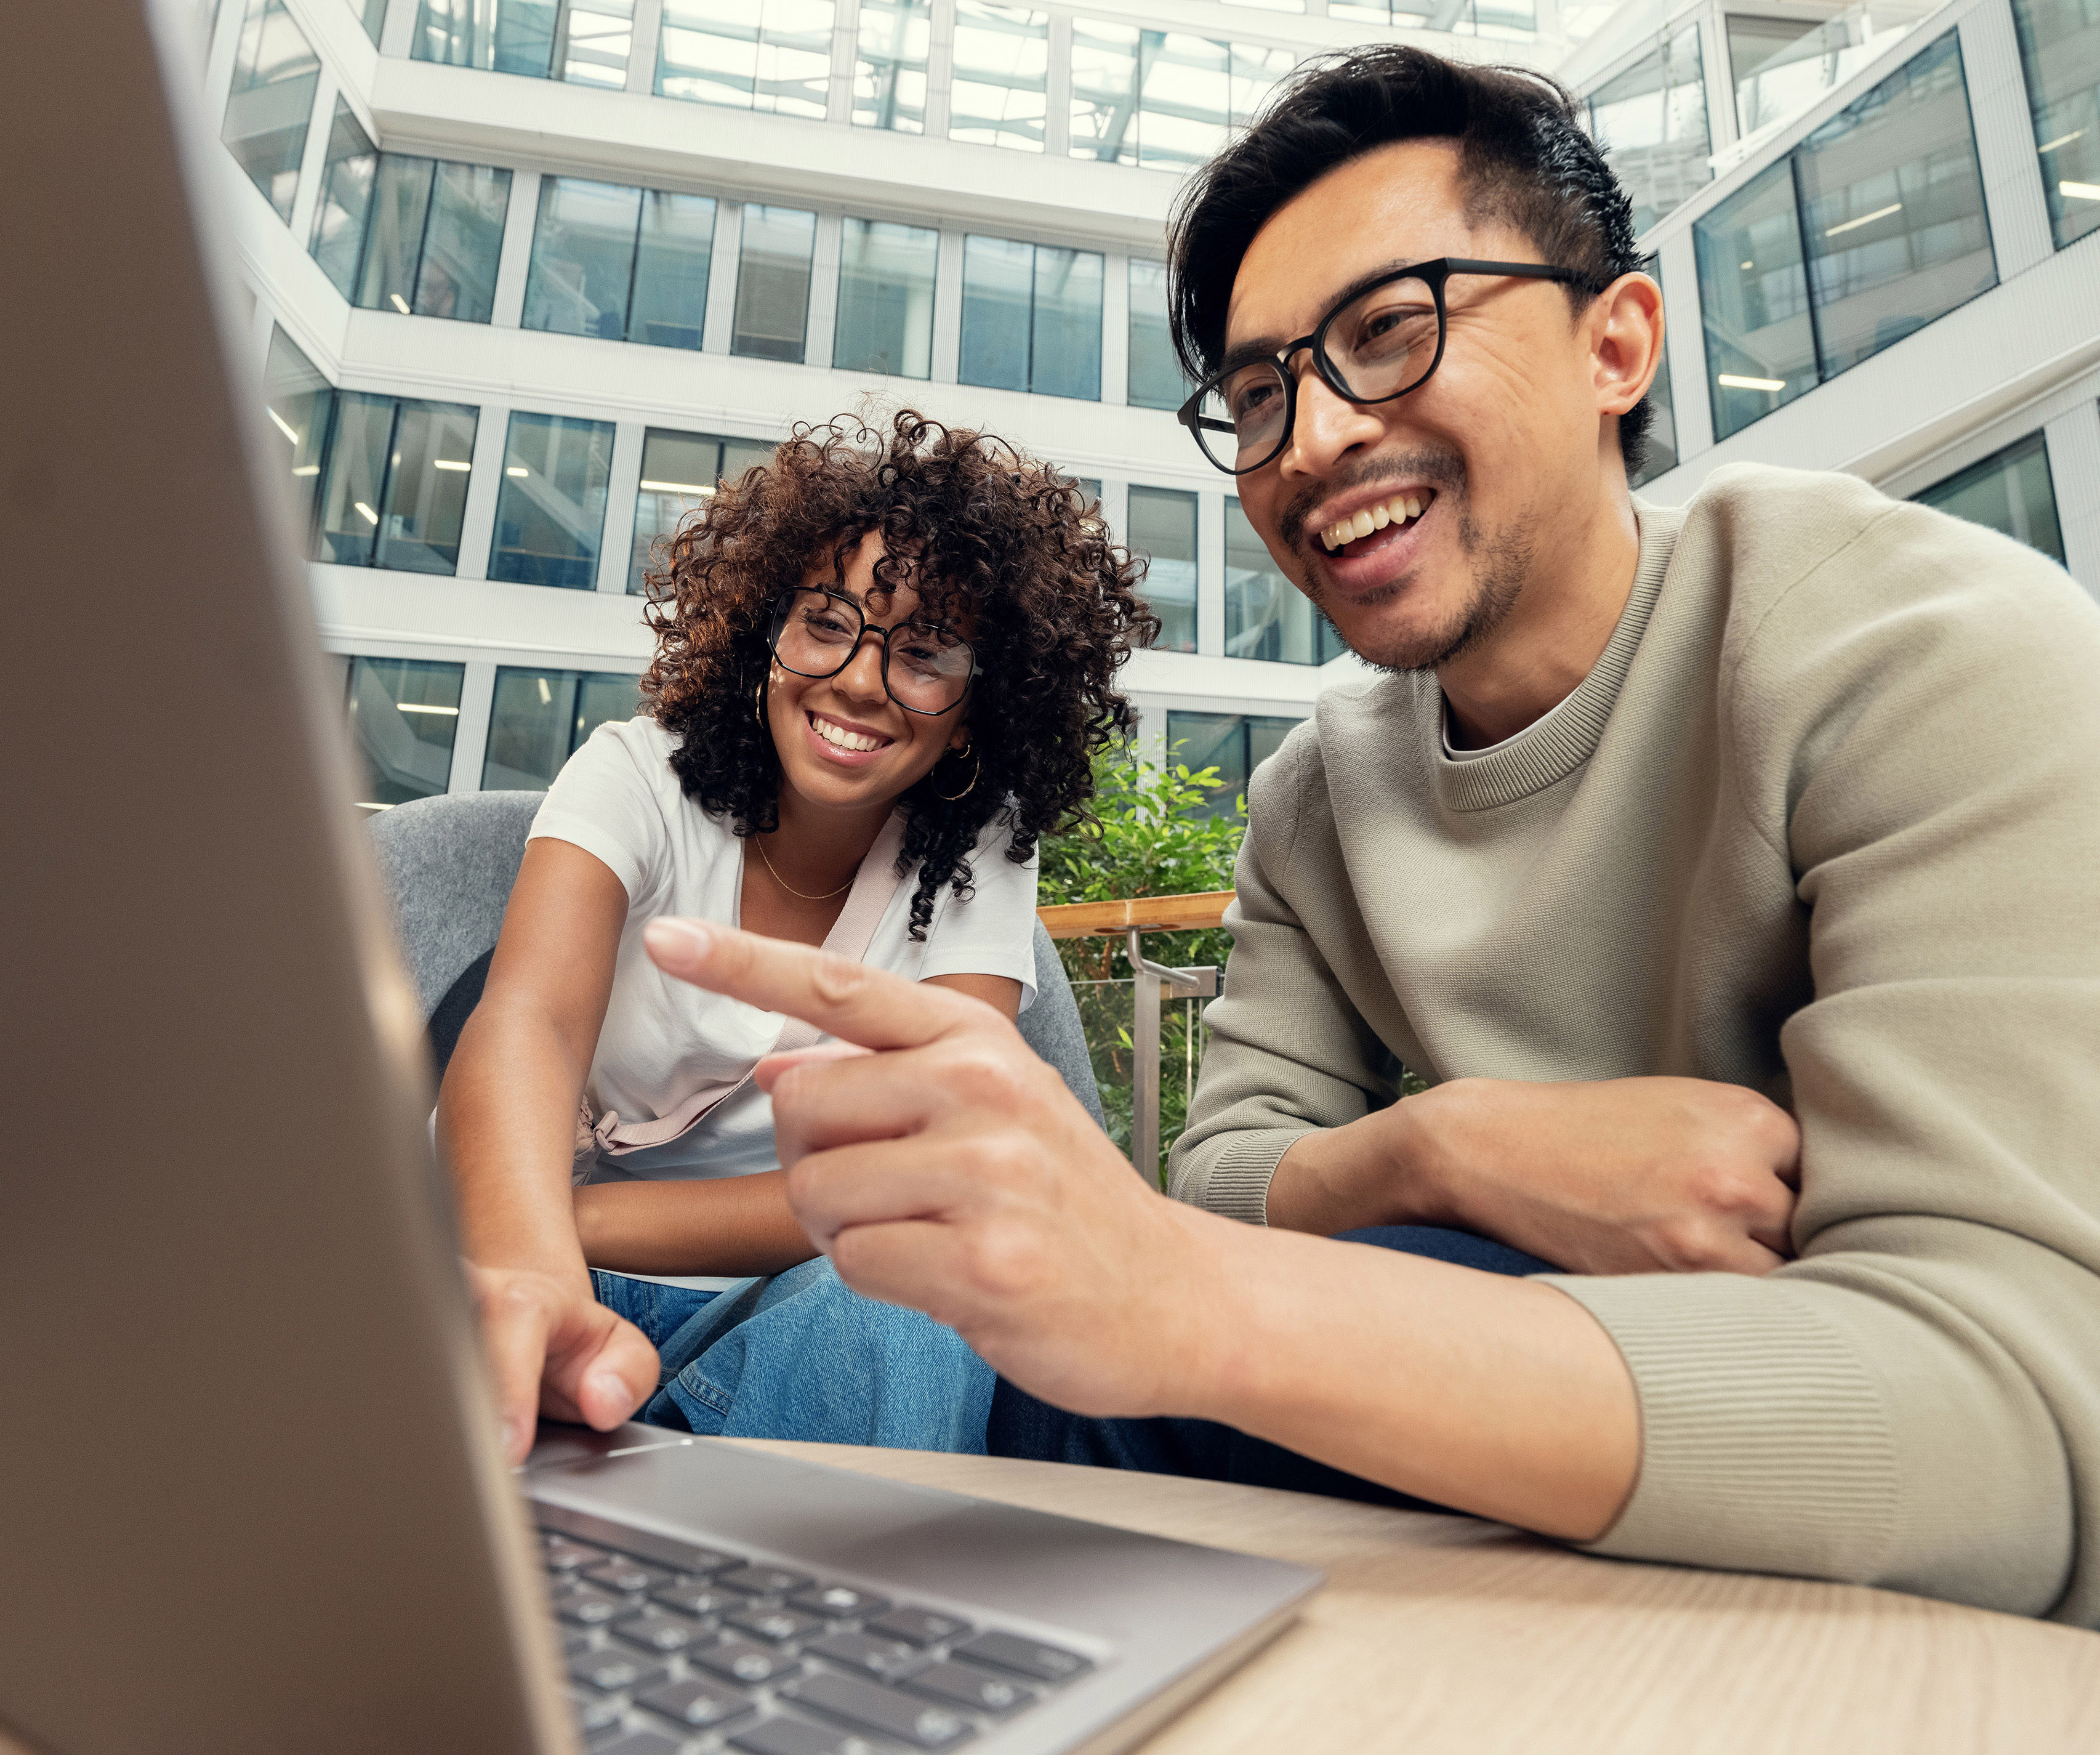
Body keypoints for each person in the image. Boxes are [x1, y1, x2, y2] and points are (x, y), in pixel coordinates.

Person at [603, 47, 2100, 1626]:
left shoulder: (1922, 645)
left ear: (1619, 343)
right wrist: (1450, 1149)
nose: (1308, 440)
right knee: (1028, 1373)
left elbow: (2023, 1421)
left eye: (1390, 332)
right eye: (1258, 395)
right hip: (1535, 1445)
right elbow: (1230, 1171)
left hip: (1876, 1506)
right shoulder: (1320, 792)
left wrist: (1194, 1296)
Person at [438, 411, 1152, 1462]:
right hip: (531, 1264)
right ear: (761, 630)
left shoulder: (979, 850)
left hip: (780, 1301)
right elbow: (527, 1024)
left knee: (921, 1297)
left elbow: (928, 1172)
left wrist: (576, 1222)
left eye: (924, 653)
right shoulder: (637, 774)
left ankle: (782, 1606)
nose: (861, 679)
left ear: (978, 706)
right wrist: (539, 1258)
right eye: (826, 621)